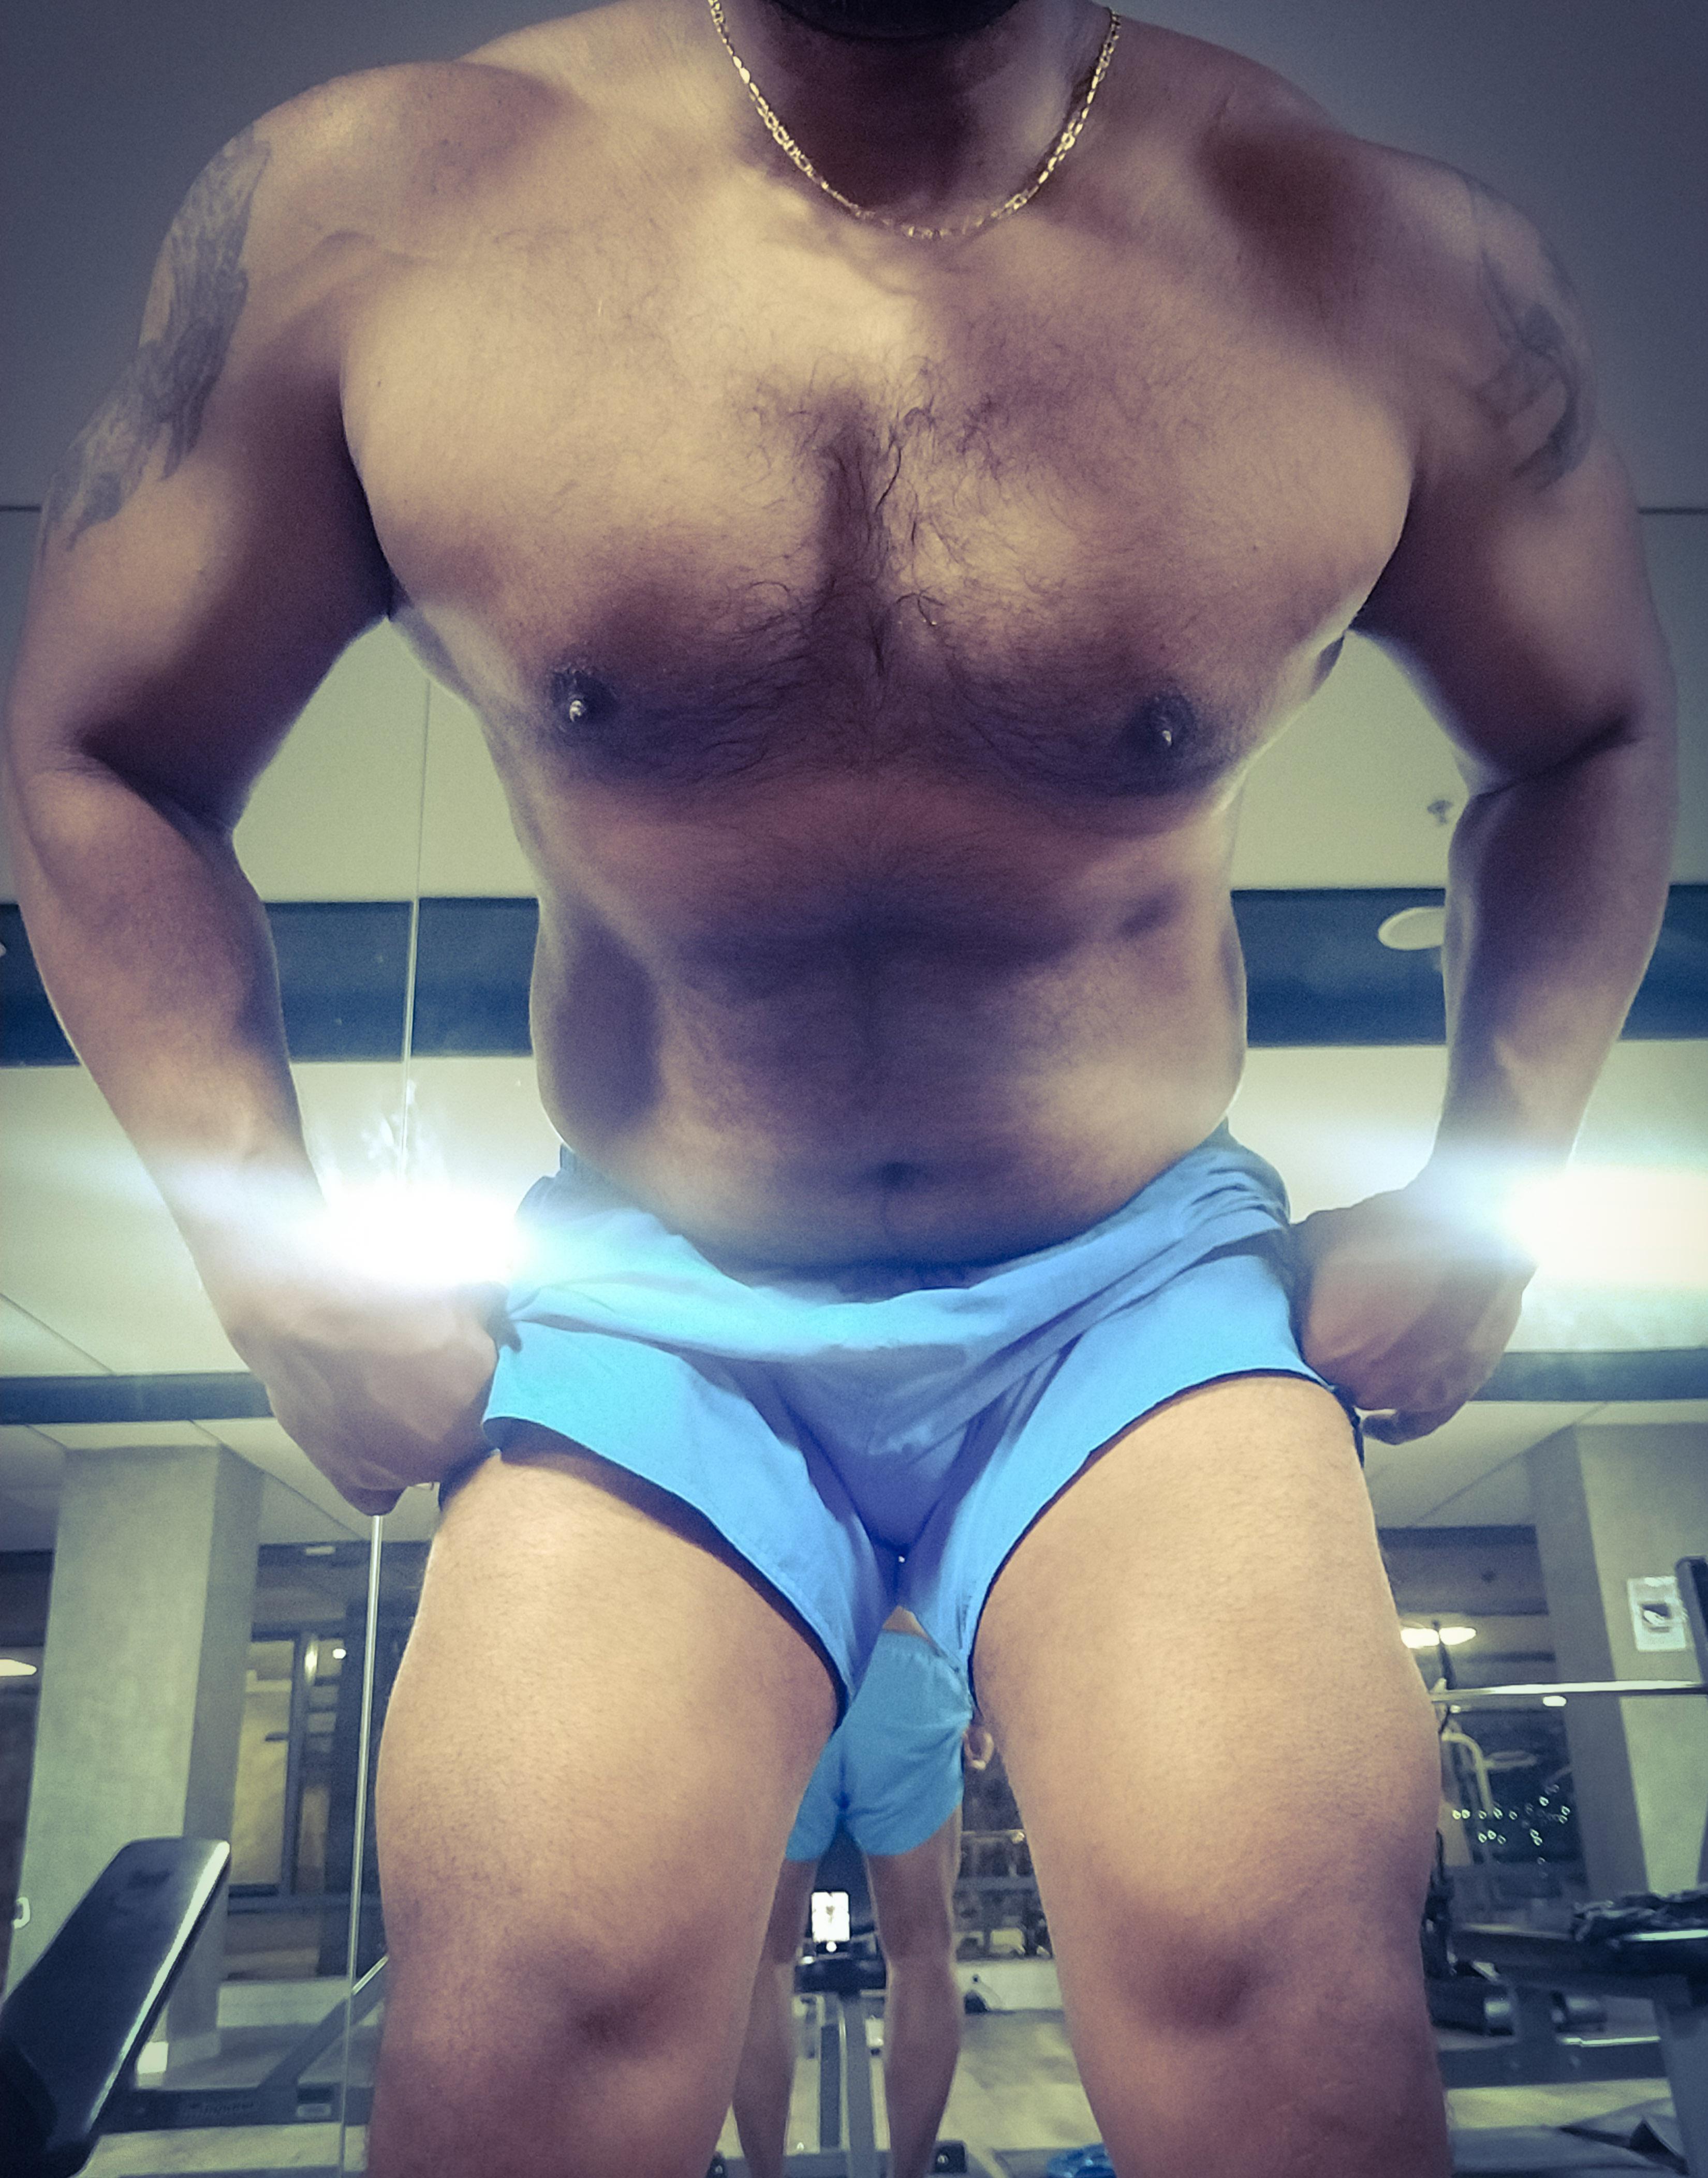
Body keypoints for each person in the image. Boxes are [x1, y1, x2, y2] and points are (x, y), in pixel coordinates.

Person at [3, 0, 1675, 2170]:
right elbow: (99, 749)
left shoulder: (1385, 270)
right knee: (528, 2023)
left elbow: (1593, 732)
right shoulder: (377, 217)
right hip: (659, 1299)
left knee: (1278, 1992)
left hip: (1128, 1283)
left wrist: (1488, 1196)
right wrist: (275, 1276)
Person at [734, 1606, 976, 2178]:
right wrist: (981, 1695)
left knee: (761, 1962)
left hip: (790, 1648)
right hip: (906, 1663)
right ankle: (909, 2173)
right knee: (923, 1955)